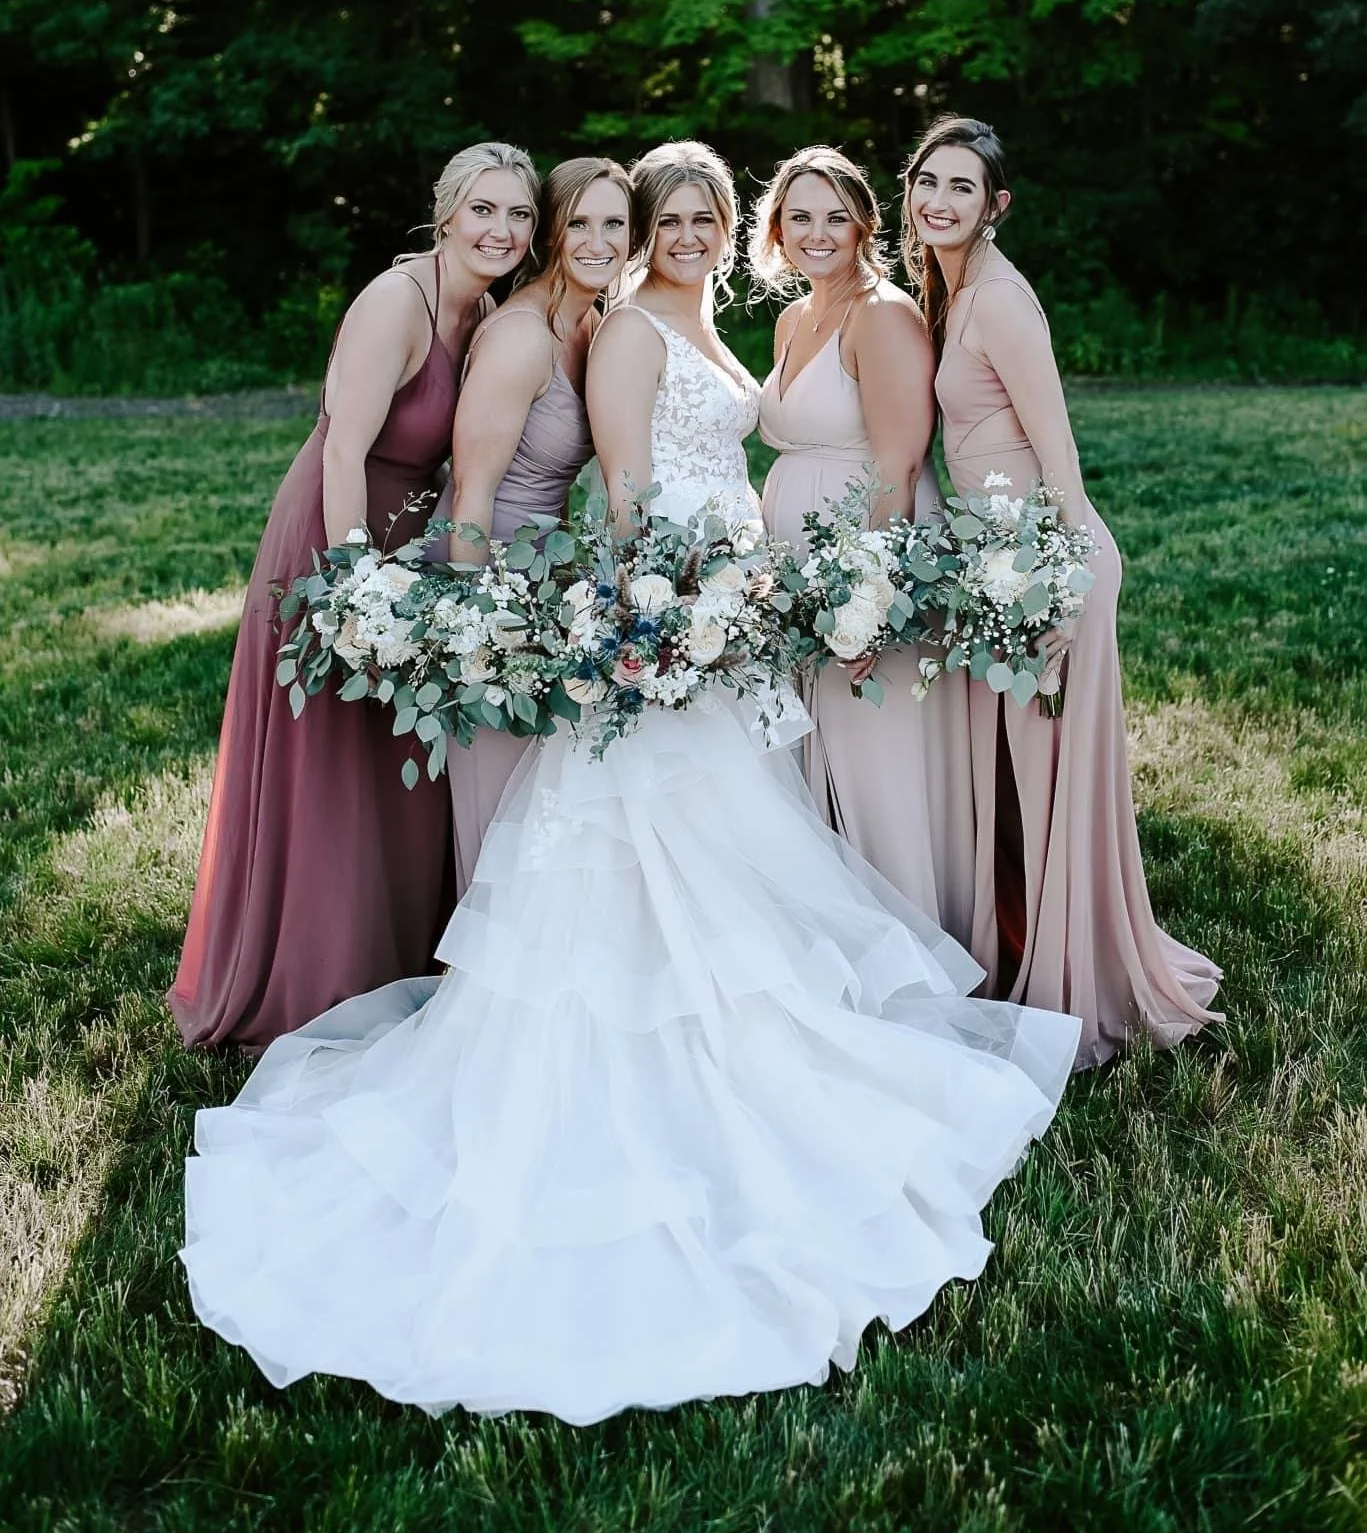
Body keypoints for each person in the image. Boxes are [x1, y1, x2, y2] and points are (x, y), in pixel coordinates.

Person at [180, 138, 1080, 1425]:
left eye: (705, 217)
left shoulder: (701, 322)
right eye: (666, 221)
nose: (685, 237)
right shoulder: (623, 332)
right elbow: (624, 489)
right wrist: (665, 613)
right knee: (663, 848)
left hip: (723, 613)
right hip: (669, 620)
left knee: (744, 843)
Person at [168, 142, 540, 1049]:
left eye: (519, 214)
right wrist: (353, 589)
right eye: (483, 209)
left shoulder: (485, 312)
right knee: (329, 759)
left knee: (394, 758)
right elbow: (342, 448)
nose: (500, 230)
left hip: (408, 536)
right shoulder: (396, 302)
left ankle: (391, 962)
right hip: (337, 533)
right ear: (445, 213)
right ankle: (312, 977)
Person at [902, 114, 1223, 1067]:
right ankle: (1018, 953)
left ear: (994, 205)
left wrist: (1061, 584)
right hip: (997, 564)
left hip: (1044, 564)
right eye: (928, 181)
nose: (940, 201)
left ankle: (1078, 985)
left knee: (1046, 788)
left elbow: (1059, 455)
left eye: (962, 187)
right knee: (1013, 785)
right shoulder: (948, 290)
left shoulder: (999, 299)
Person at [752, 145, 975, 945]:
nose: (817, 233)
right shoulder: (793, 318)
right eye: (799, 218)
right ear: (777, 230)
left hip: (866, 559)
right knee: (817, 752)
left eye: (834, 218)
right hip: (800, 562)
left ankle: (912, 938)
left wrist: (869, 601)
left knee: (875, 755)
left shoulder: (881, 315)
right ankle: (835, 941)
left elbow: (898, 464)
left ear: (863, 226)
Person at [438, 156, 633, 894]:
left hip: (548, 578)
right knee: (500, 806)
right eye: (579, 223)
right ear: (551, 232)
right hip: (490, 577)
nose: (597, 242)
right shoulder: (522, 336)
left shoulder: (592, 325)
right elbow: (471, 492)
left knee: (547, 804)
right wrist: (474, 631)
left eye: (614, 224)